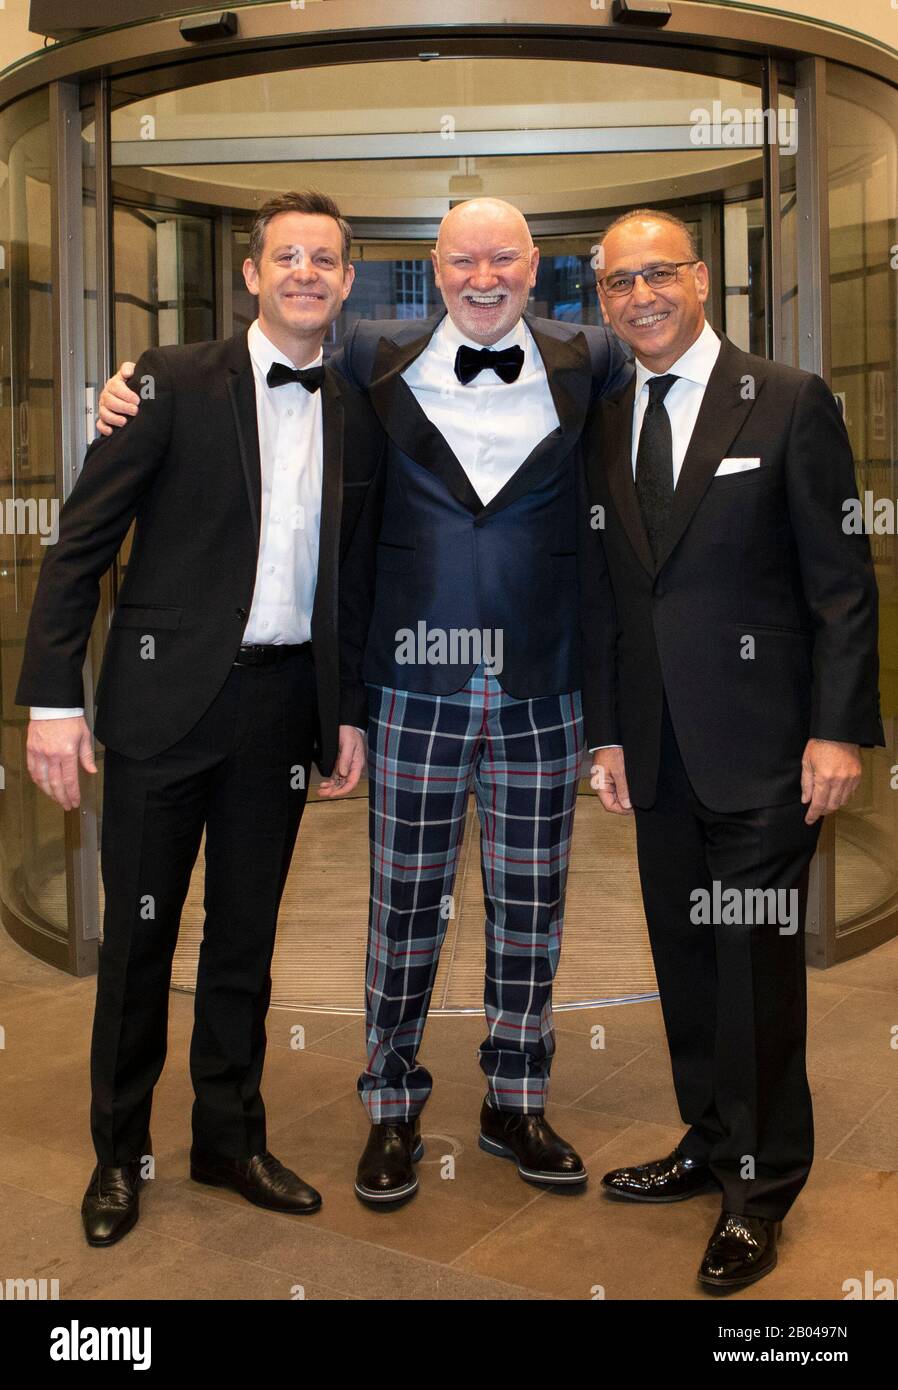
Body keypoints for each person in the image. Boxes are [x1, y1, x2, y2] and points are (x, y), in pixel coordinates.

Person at [97, 196, 633, 1208]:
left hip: (541, 682)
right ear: (431, 270)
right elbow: (245, 372)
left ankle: (514, 1099)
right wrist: (126, 385)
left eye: (505, 259)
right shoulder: (365, 357)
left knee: (532, 912)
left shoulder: (588, 357)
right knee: (402, 912)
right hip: (410, 683)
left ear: (534, 266)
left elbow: (670, 346)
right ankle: (392, 1105)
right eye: (463, 259)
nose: (485, 277)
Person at [16, 190, 384, 1246]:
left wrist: (344, 711)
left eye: (326, 258)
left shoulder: (357, 406)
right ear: (251, 275)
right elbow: (79, 546)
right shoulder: (164, 383)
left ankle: (228, 1136)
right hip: (161, 706)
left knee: (243, 941)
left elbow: (351, 586)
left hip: (280, 715)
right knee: (139, 944)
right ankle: (118, 1155)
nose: (307, 272)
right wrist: (52, 699)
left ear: (348, 280)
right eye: (287, 256)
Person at [583, 208, 883, 1291]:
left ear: (701, 278)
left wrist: (838, 726)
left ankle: (759, 1190)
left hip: (767, 754)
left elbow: (840, 582)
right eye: (618, 282)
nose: (640, 295)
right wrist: (608, 732)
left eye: (658, 273)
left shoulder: (789, 399)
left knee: (753, 973)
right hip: (656, 754)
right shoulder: (605, 414)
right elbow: (612, 593)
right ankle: (708, 1138)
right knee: (687, 961)